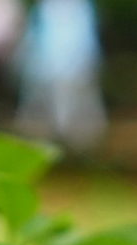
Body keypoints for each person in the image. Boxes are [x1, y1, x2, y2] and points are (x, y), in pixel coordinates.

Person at [13, 0, 107, 152]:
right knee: (41, 109)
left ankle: (75, 146)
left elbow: (86, 39)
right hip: (45, 67)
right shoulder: (46, 7)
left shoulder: (80, 7)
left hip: (73, 66)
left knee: (77, 111)